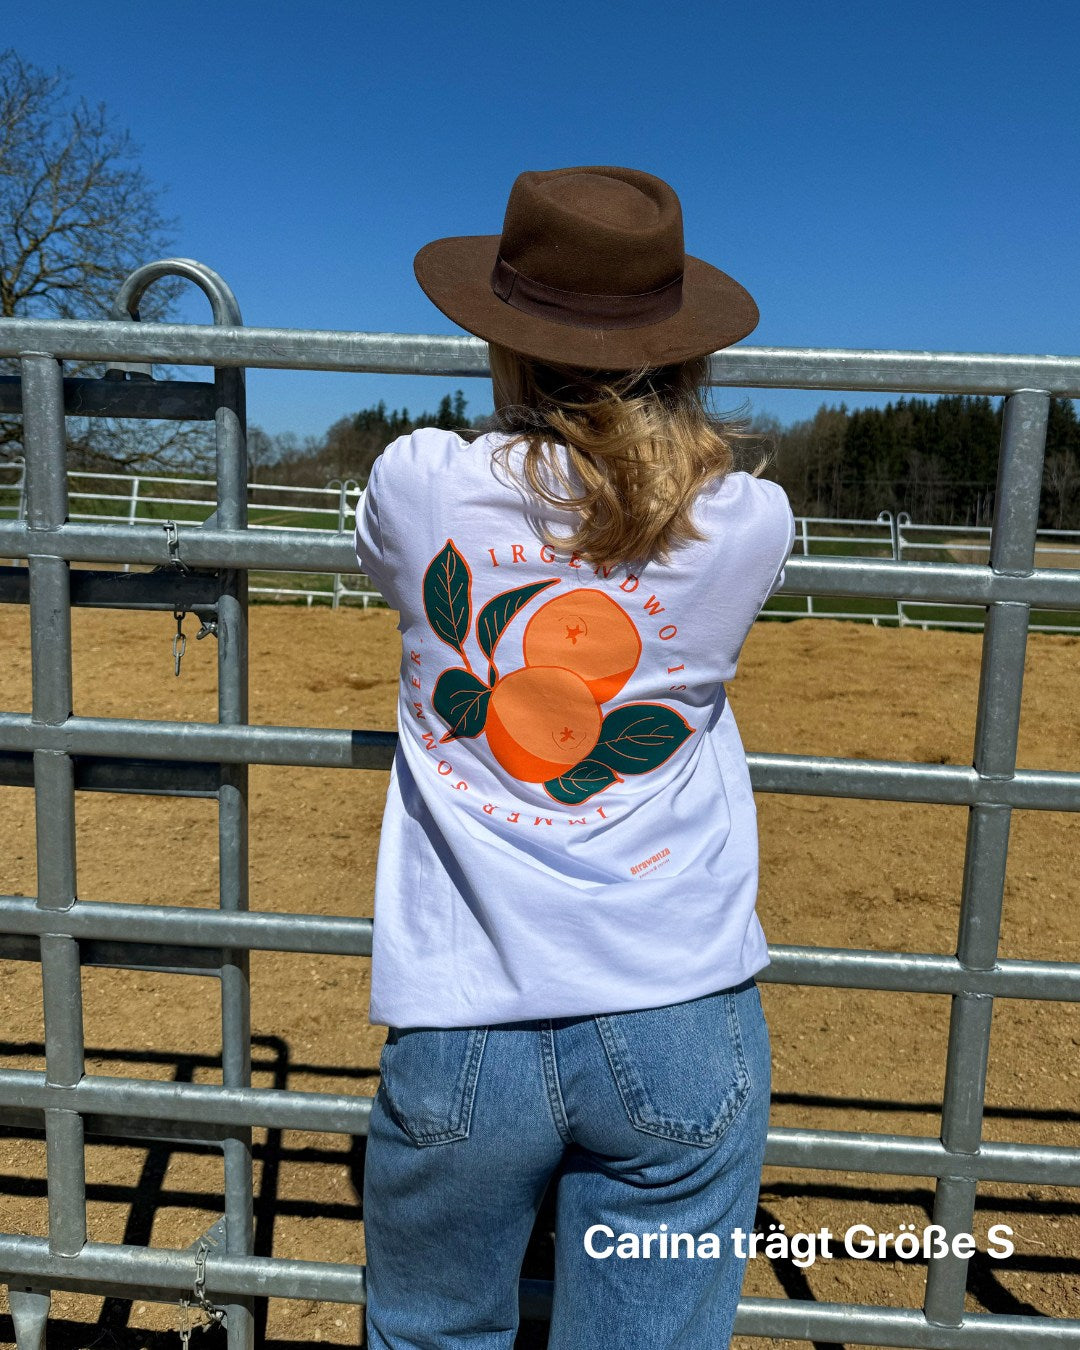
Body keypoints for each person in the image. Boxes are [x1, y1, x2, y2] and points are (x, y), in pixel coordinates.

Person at [353, 165, 796, 1350]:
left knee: (432, 1334)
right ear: (684, 349)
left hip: (463, 1017)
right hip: (679, 1009)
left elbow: (406, 554)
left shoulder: (419, 484)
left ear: (503, 339)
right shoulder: (746, 521)